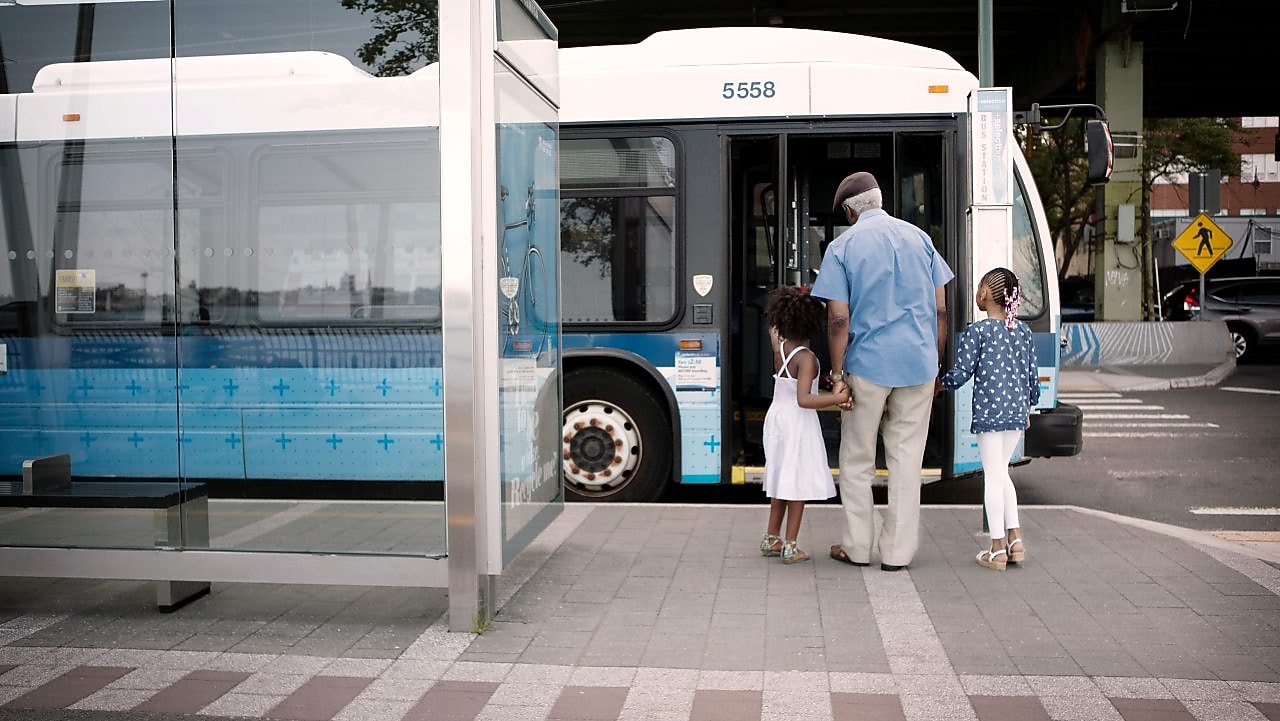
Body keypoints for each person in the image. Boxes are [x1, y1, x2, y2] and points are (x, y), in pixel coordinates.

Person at [811, 171, 954, 571]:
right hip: (919, 365)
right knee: (907, 461)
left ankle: (857, 548)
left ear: (848, 212)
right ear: (879, 201)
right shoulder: (920, 239)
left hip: (867, 367)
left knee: (857, 459)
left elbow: (838, 320)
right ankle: (897, 554)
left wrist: (838, 375)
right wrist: (936, 363)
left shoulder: (841, 248)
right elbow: (940, 311)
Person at [939, 267, 1039, 571]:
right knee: (1003, 473)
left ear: (985, 294)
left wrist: (940, 382)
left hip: (989, 412)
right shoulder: (1022, 332)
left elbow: (962, 372)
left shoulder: (978, 332)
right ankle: (1015, 539)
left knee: (993, 477)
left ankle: (997, 548)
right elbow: (1031, 376)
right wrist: (1028, 409)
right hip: (1016, 413)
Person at [759, 285, 851, 565]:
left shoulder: (782, 351)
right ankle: (791, 546)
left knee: (779, 482)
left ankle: (771, 538)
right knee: (796, 484)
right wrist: (837, 398)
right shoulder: (807, 358)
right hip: (797, 424)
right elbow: (804, 399)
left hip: (777, 419)